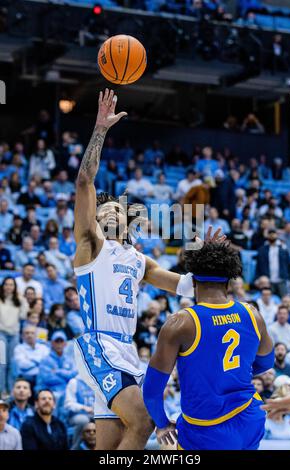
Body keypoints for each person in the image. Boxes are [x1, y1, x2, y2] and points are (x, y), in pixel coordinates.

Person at [73, 88, 225, 450]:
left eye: (115, 211)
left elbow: (186, 286)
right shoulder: (91, 246)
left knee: (110, 445)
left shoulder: (140, 261)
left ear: (127, 222)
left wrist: (213, 260)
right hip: (99, 345)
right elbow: (84, 182)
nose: (108, 213)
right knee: (144, 422)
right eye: (102, 212)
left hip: (126, 352)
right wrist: (100, 129)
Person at [143, 241, 274, 450]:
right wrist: (230, 372)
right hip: (250, 418)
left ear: (193, 281)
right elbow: (267, 362)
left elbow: (151, 391)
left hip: (207, 429)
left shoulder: (180, 323)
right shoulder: (252, 313)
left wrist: (162, 424)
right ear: (229, 283)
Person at [0, 277, 28, 394]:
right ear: (3, 286)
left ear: (15, 287)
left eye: (11, 285)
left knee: (12, 364)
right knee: (2, 363)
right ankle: (2, 391)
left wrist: (23, 299)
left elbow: (23, 316)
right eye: (6, 284)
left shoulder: (19, 301)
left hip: (14, 335)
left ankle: (12, 391)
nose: (9, 287)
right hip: (1, 334)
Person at [36, 331, 77, 402]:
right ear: (52, 343)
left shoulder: (69, 359)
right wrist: (66, 379)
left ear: (65, 343)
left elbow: (74, 374)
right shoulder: (46, 360)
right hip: (48, 389)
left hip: (65, 389)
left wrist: (58, 371)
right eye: (56, 342)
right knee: (56, 396)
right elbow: (48, 378)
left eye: (61, 341)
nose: (59, 344)